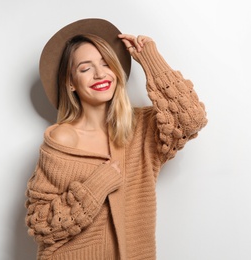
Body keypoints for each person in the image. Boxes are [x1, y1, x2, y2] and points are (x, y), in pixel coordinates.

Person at [25, 18, 207, 260]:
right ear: (71, 83)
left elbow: (191, 119)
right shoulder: (64, 138)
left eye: (106, 63)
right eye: (85, 68)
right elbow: (40, 224)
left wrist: (149, 58)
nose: (100, 73)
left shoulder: (142, 129)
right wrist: (96, 186)